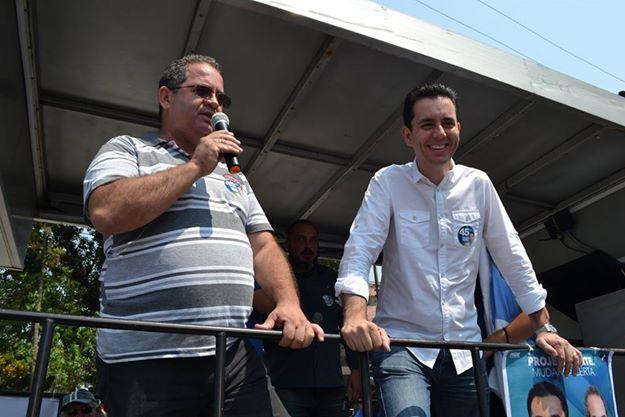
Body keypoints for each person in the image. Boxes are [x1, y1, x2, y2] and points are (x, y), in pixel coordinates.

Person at [83, 54, 323, 417]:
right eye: (201, 91)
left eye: (220, 97)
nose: (214, 102)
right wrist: (195, 165)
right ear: (165, 97)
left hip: (232, 354)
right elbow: (105, 212)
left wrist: (288, 302)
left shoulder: (233, 175)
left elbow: (262, 244)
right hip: (146, 360)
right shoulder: (128, 149)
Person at [335, 83, 582, 417]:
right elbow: (360, 249)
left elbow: (512, 257)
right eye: (427, 124)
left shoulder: (478, 184)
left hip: (465, 350)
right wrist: (354, 315)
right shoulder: (388, 182)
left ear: (459, 129)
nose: (440, 133)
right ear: (408, 135)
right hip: (403, 346)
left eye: (447, 123)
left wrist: (543, 327)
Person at [261, 220, 361, 417]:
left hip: (330, 383)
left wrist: (356, 369)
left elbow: (349, 324)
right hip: (287, 382)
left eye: (313, 240)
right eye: (301, 239)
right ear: (287, 243)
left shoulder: (333, 279)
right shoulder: (275, 282)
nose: (308, 246)